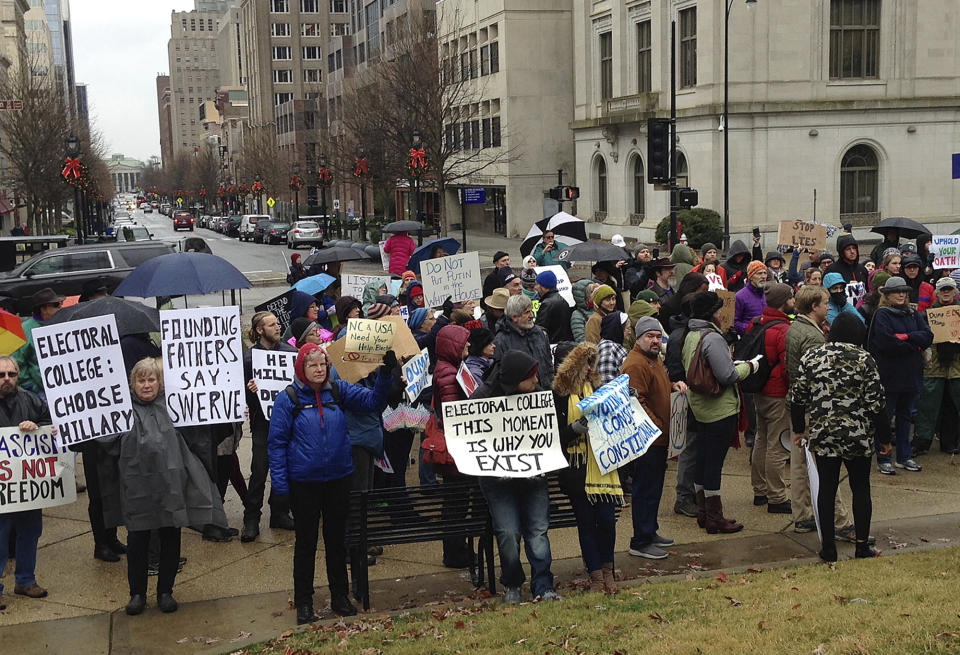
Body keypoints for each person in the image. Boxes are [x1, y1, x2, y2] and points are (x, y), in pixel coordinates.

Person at [268, 344, 397, 623]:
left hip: (339, 479)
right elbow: (276, 445)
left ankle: (340, 595)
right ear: (301, 369)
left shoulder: (338, 390)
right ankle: (304, 601)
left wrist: (386, 373)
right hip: (304, 483)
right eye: (312, 365)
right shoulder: (287, 399)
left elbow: (373, 402)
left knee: (336, 541)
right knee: (306, 543)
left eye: (323, 364)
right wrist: (280, 488)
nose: (318, 370)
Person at [99, 357, 228, 616]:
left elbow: (205, 429)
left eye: (151, 379)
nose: (147, 385)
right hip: (137, 487)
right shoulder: (120, 411)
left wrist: (229, 415)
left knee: (171, 536)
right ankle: (137, 594)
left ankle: (165, 591)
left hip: (172, 486)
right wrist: (67, 431)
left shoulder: (175, 406)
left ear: (159, 382)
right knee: (137, 540)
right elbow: (103, 440)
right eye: (141, 380)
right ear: (132, 384)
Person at [790, 312, 889, 561]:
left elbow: (797, 398)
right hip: (859, 435)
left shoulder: (811, 357)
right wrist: (885, 439)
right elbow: (877, 404)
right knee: (861, 488)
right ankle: (861, 545)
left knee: (827, 488)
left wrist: (800, 428)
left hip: (824, 434)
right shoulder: (865, 359)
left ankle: (829, 547)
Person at [472, 351, 559, 603]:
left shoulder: (537, 397)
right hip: (498, 481)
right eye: (530, 378)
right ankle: (512, 583)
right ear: (515, 380)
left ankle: (543, 586)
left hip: (534, 476)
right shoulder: (482, 399)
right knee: (508, 532)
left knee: (538, 532)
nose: (536, 383)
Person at [681, 292, 762, 534]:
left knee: (703, 460)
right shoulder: (712, 338)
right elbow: (728, 375)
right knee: (713, 464)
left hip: (700, 407)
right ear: (711, 313)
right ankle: (715, 517)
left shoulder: (691, 334)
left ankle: (704, 512)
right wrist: (751, 366)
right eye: (718, 310)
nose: (721, 314)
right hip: (719, 409)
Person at [785, 285, 859, 539]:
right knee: (824, 466)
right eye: (825, 303)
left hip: (797, 402)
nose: (829, 307)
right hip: (812, 407)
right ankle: (840, 522)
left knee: (800, 463)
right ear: (813, 306)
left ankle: (803, 514)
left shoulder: (796, 327)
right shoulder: (814, 338)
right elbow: (815, 377)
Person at [552, 342, 621, 592]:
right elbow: (552, 436)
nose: (589, 368)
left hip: (603, 464)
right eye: (584, 363)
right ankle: (596, 576)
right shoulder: (558, 397)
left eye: (591, 363)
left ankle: (608, 570)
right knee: (586, 522)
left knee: (607, 520)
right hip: (577, 467)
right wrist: (573, 430)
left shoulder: (600, 387)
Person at [621, 317, 681, 560]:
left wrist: (673, 386)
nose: (656, 341)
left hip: (659, 440)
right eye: (650, 336)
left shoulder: (654, 360)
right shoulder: (635, 364)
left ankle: (650, 531)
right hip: (648, 440)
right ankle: (640, 540)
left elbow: (657, 390)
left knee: (654, 489)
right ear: (639, 338)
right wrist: (656, 427)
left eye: (658, 336)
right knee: (644, 490)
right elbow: (636, 402)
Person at [0, 355, 51, 609]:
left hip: (29, 484)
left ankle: (25, 581)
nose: (7, 379)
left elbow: (49, 423)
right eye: (1, 375)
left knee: (30, 531)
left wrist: (38, 426)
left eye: (12, 374)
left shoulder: (30, 399)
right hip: (2, 487)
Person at [868, 275, 933, 474]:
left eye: (904, 291)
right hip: (889, 376)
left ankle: (905, 456)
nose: (902, 295)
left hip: (911, 375)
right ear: (887, 295)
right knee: (885, 419)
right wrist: (915, 346)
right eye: (897, 291)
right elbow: (887, 343)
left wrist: (907, 337)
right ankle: (884, 457)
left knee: (905, 417)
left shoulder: (913, 314)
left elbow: (928, 336)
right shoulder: (882, 315)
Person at [241, 312, 297, 542]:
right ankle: (251, 519)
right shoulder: (249, 358)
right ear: (260, 330)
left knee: (283, 469)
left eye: (277, 323)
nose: (278, 326)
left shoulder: (290, 353)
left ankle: (280, 512)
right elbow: (240, 393)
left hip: (287, 422)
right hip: (263, 424)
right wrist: (251, 390)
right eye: (271, 324)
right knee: (259, 470)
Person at [431, 324, 476, 569]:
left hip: (457, 449)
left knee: (456, 501)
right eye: (464, 341)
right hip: (456, 449)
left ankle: (457, 550)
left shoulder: (450, 368)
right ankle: (455, 553)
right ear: (453, 345)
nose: (468, 345)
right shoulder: (448, 374)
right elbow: (454, 414)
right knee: (457, 502)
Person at [747, 284, 794, 515]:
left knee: (761, 439)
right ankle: (777, 497)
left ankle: (760, 490)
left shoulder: (757, 323)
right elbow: (787, 368)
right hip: (777, 393)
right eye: (791, 298)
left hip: (759, 389)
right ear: (784, 301)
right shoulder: (784, 330)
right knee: (777, 445)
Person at [914, 277, 960, 456]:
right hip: (934, 365)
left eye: (949, 289)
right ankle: (921, 441)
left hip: (956, 365)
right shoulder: (927, 314)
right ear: (937, 293)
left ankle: (949, 443)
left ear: (955, 291)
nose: (946, 292)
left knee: (952, 407)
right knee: (928, 404)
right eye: (943, 289)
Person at [493, 294, 555, 389]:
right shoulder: (501, 341)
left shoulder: (539, 333)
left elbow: (548, 363)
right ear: (514, 317)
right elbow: (501, 376)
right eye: (527, 312)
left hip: (546, 394)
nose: (531, 315)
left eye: (531, 311)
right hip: (523, 397)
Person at [12, 287, 63, 394]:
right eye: (56, 305)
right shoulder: (25, 330)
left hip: (66, 387)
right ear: (43, 309)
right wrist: (32, 387)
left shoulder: (63, 323)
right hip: (42, 392)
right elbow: (17, 363)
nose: (60, 308)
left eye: (60, 304)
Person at [826, 234, 869, 308]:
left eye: (854, 248)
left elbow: (868, 291)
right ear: (842, 252)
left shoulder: (862, 269)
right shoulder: (832, 270)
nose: (852, 251)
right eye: (848, 249)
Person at [534, 270, 572, 342]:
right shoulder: (562, 300)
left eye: (537, 284)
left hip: (552, 344)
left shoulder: (547, 304)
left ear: (544, 286)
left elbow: (539, 329)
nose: (535, 287)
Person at [596, 312, 631, 385]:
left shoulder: (614, 345)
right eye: (628, 328)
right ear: (618, 329)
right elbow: (606, 384)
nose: (630, 332)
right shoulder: (608, 349)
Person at [734, 261, 767, 334]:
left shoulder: (766, 294)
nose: (763, 276)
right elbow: (734, 322)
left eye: (765, 273)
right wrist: (752, 328)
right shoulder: (740, 296)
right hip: (749, 340)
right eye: (759, 273)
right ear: (751, 277)